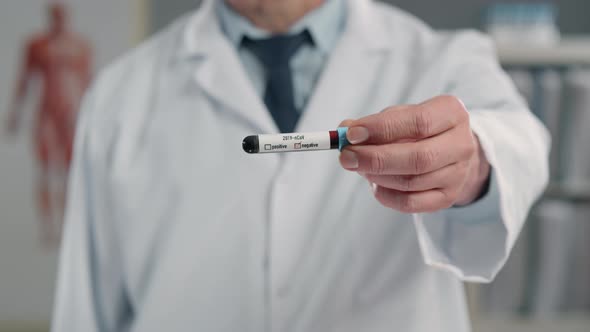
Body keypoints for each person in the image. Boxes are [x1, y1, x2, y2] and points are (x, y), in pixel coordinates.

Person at [52, 0, 549, 331]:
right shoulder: (120, 94)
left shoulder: (444, 58)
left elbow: (521, 138)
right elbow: (83, 307)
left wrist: (472, 162)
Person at [5, 3, 92, 247]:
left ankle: (66, 224)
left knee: (68, 172)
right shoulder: (37, 45)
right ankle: (47, 226)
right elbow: (24, 80)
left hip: (71, 113)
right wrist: (15, 114)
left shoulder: (80, 46)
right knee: (45, 170)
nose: (59, 19)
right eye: (55, 15)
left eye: (63, 15)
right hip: (46, 113)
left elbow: (89, 81)